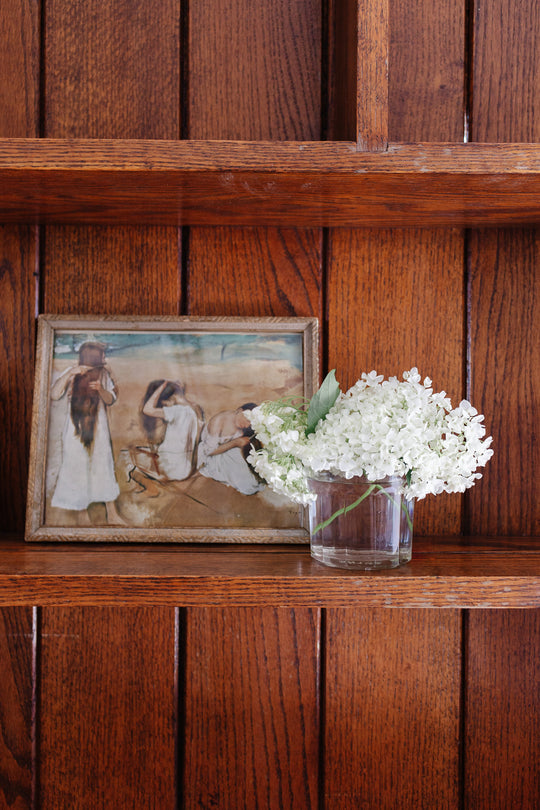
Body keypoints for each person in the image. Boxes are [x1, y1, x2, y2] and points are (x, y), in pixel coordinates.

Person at [50, 341, 124, 524]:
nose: (105, 358)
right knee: (76, 466)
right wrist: (70, 373)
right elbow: (54, 394)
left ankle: (112, 513)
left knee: (103, 465)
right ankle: (82, 512)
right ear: (94, 357)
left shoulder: (103, 374)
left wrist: (101, 390)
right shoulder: (72, 372)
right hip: (75, 430)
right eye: (102, 355)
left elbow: (110, 399)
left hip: (99, 430)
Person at [129, 380, 202, 494]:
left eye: (166, 403)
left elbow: (147, 409)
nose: (165, 406)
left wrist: (161, 387)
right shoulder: (194, 411)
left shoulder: (177, 411)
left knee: (128, 460)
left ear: (173, 398)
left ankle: (151, 485)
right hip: (184, 470)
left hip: (169, 468)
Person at [197, 403, 264, 495]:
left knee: (245, 464)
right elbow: (208, 451)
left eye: (250, 424)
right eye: (248, 420)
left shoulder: (240, 424)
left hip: (227, 451)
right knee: (245, 479)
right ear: (240, 410)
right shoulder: (219, 421)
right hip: (210, 457)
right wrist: (235, 443)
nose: (247, 425)